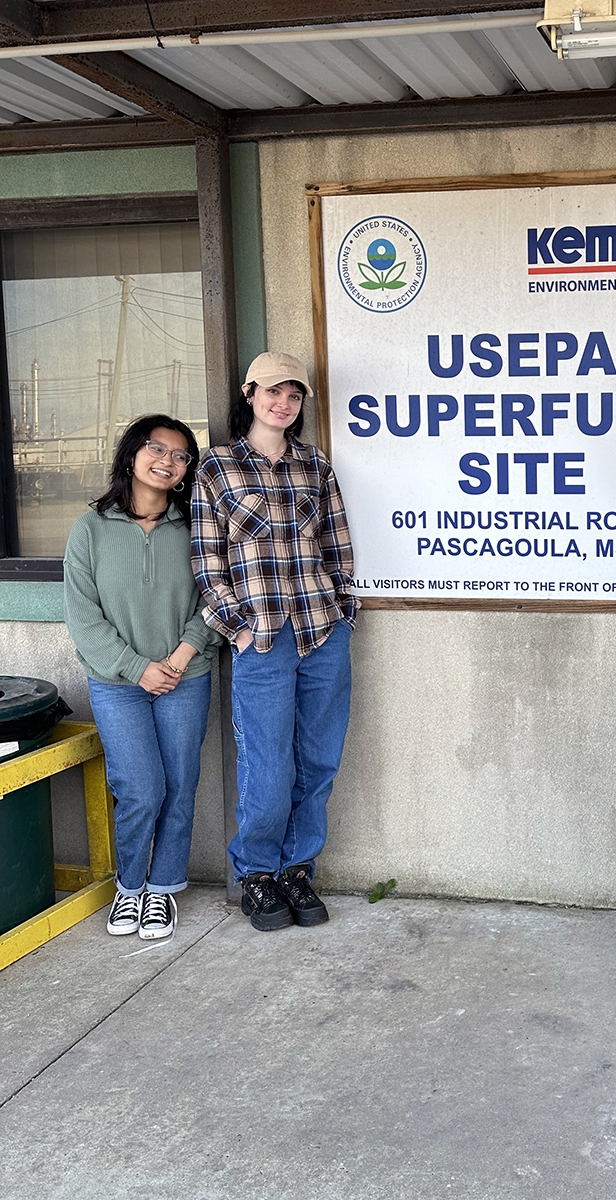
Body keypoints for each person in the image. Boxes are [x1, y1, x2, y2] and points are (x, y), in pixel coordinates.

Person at [191, 351, 357, 932]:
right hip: (260, 637)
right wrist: (234, 630)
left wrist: (344, 611)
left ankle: (297, 869)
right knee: (267, 762)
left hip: (321, 631)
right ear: (248, 393)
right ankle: (258, 874)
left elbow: (337, 545)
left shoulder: (316, 467)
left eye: (293, 395)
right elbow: (206, 564)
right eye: (272, 392)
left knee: (319, 757)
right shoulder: (215, 468)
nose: (282, 403)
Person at [64, 414, 217, 941]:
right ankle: (130, 888)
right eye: (157, 448)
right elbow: (83, 616)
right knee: (140, 788)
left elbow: (215, 598)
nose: (168, 461)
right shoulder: (90, 529)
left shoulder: (196, 525)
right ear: (132, 454)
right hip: (117, 683)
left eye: (180, 455)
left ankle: (163, 888)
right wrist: (138, 668)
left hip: (185, 676)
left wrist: (177, 659)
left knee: (179, 785)